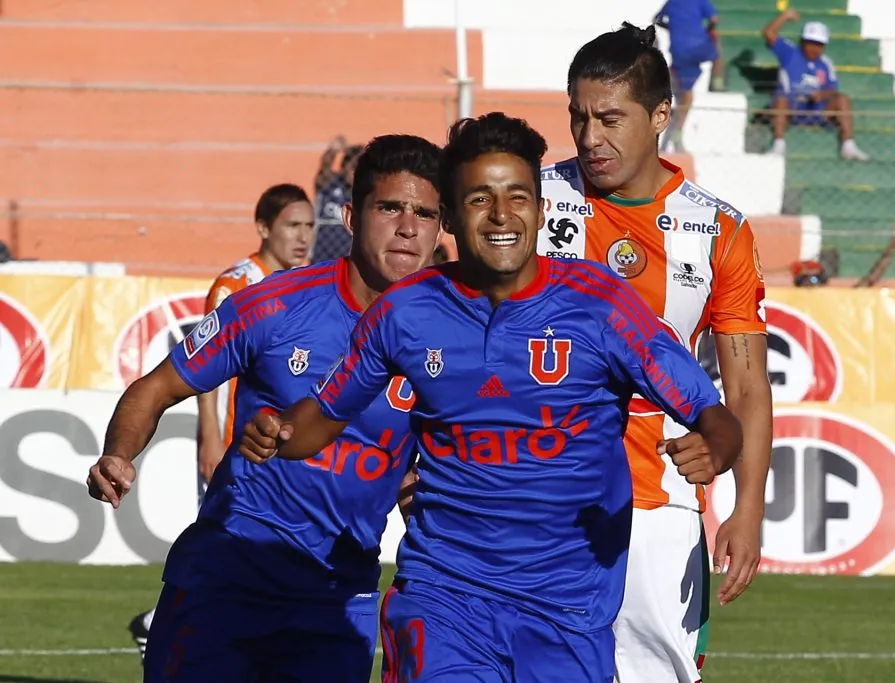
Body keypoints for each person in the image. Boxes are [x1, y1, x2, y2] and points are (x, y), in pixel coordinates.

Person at [238, 112, 744, 683]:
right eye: (480, 199)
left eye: (517, 197)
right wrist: (278, 433)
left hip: (567, 611)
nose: (502, 216)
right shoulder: (406, 311)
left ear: (541, 208)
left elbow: (715, 416)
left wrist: (716, 447)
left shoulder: (602, 305)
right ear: (451, 216)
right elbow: (323, 417)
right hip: (443, 598)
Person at [87, 134, 444, 683]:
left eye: (424, 212)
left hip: (336, 600)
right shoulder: (273, 303)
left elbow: (421, 469)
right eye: (390, 207)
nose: (407, 226)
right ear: (350, 217)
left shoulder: (451, 339)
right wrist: (118, 453)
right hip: (226, 583)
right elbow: (156, 388)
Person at [538, 23, 773, 683]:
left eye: (610, 118)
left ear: (661, 115)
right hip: (532, 490)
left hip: (661, 498)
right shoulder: (529, 199)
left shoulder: (717, 230)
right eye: (579, 117)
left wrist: (747, 506)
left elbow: (747, 385)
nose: (590, 137)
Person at [127, 182, 315, 661]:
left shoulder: (309, 285)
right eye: (292, 225)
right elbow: (205, 370)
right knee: (221, 546)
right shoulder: (236, 284)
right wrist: (210, 435)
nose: (303, 237)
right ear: (262, 229)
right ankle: (173, 631)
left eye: (310, 226)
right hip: (235, 443)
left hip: (282, 444)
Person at [762, 9, 870, 161]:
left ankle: (848, 145)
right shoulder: (790, 53)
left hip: (816, 109)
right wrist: (784, 17)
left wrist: (822, 95)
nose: (815, 48)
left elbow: (832, 89)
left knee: (843, 99)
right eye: (811, 43)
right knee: (780, 99)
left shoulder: (825, 63)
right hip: (793, 107)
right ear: (802, 41)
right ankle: (778, 145)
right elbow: (769, 34)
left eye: (819, 44)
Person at [654, 0, 725, 153]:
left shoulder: (671, 2)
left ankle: (676, 135)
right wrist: (708, 30)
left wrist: (672, 27)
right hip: (699, 45)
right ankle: (718, 83)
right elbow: (714, 19)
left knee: (686, 97)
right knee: (716, 49)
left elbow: (657, 19)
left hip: (678, 51)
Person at [313, 135, 367, 261]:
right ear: (344, 166)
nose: (354, 173)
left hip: (346, 258)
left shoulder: (364, 193)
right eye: (353, 167)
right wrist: (333, 151)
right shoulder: (331, 183)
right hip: (319, 255)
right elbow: (324, 170)